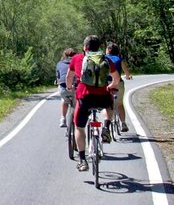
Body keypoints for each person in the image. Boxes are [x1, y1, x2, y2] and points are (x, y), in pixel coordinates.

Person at [66, 35, 121, 172]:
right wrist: (110, 86)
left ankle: (83, 160)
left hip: (85, 97)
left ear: (84, 47)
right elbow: (116, 78)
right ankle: (106, 127)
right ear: (99, 47)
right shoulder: (106, 59)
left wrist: (69, 87)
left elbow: (69, 77)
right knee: (109, 104)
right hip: (102, 96)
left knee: (79, 127)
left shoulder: (77, 58)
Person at [106, 42, 133, 132]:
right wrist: (128, 76)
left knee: (107, 104)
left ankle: (107, 125)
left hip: (107, 83)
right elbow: (127, 72)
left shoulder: (104, 58)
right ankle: (123, 123)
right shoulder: (119, 59)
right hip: (118, 83)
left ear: (109, 50)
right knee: (120, 104)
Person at [55, 48, 77, 127]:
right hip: (75, 88)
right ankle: (76, 120)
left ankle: (63, 118)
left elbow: (58, 78)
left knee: (64, 99)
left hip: (63, 88)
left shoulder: (59, 63)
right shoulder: (78, 62)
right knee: (77, 103)